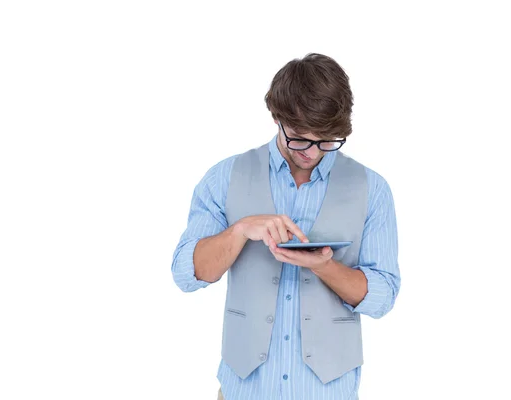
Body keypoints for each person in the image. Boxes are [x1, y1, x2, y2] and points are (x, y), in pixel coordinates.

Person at [171, 53, 401, 400]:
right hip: (244, 391)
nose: (312, 151)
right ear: (276, 118)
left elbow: (383, 296)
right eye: (299, 138)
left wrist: (325, 268)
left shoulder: (373, 189)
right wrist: (240, 231)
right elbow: (186, 273)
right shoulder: (225, 177)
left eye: (326, 141)